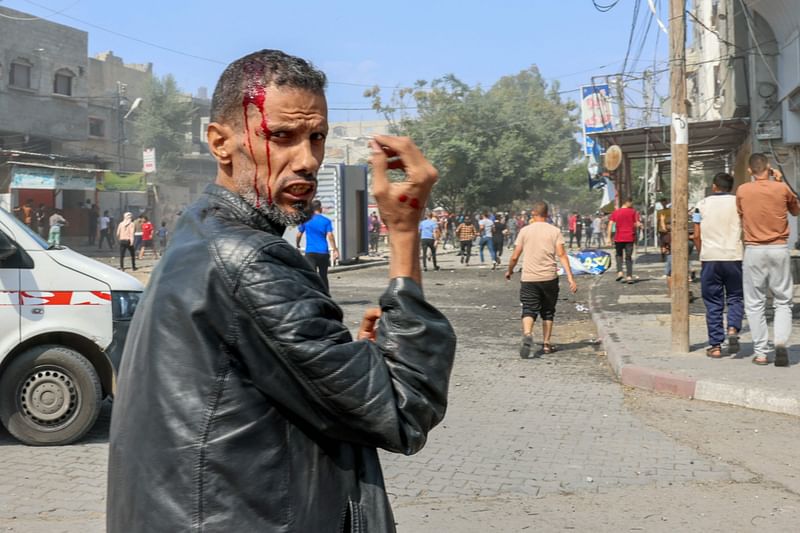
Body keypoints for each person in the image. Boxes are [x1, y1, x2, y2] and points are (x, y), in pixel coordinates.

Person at [107, 49, 455, 533]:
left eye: (317, 138)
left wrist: (346, 361)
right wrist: (403, 235)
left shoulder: (198, 234)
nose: (308, 159)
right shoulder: (250, 260)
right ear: (220, 142)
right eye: (282, 136)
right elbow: (403, 409)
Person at [736, 153, 800, 366]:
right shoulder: (781, 188)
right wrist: (779, 182)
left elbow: (740, 213)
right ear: (769, 168)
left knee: (755, 303)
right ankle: (781, 342)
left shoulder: (743, 190)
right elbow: (796, 210)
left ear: (750, 171)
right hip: (779, 248)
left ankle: (761, 352)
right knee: (783, 300)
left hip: (754, 250)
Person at [506, 201, 577, 358]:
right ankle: (546, 344)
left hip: (529, 277)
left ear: (533, 213)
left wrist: (509, 271)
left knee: (529, 308)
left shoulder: (525, 231)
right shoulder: (555, 231)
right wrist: (571, 278)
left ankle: (527, 333)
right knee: (548, 311)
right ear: (548, 214)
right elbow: (562, 255)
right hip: (549, 277)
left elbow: (515, 256)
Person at [693, 172, 743, 358]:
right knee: (735, 297)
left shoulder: (701, 205)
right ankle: (732, 328)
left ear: (714, 186)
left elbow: (696, 234)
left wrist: (701, 252)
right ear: (731, 187)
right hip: (733, 256)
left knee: (713, 302)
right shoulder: (738, 202)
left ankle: (715, 346)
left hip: (710, 258)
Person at [296, 199, 339, 290]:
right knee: (323, 275)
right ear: (321, 208)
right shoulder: (326, 221)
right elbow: (330, 235)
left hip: (310, 252)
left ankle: (314, 295)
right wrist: (335, 249)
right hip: (323, 252)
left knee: (312, 276)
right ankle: (326, 295)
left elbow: (299, 234)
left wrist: (297, 244)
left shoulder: (306, 220)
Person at [607, 198, 642, 284]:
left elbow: (610, 224)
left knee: (619, 255)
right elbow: (637, 224)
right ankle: (629, 276)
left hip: (618, 237)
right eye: (631, 203)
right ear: (628, 202)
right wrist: (640, 225)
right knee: (628, 257)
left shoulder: (615, 212)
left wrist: (608, 237)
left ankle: (620, 272)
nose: (632, 205)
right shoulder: (634, 212)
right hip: (630, 237)